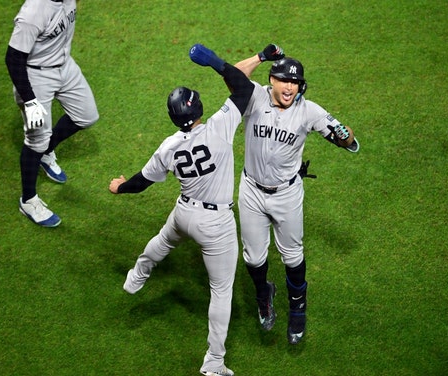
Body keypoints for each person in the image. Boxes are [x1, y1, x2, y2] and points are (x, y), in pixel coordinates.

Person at [109, 44, 259, 376]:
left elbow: (141, 181)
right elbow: (245, 89)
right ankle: (213, 362)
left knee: (163, 241)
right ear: (199, 107)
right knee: (221, 291)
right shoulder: (220, 126)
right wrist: (216, 63)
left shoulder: (168, 146)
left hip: (183, 213)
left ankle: (137, 275)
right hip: (215, 223)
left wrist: (119, 186)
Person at [230, 47, 360, 345]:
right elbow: (233, 74)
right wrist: (261, 57)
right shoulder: (255, 97)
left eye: (295, 82)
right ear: (271, 80)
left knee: (292, 257)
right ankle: (264, 294)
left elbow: (349, 141)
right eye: (284, 80)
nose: (290, 87)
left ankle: (298, 308)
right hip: (251, 190)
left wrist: (343, 132)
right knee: (253, 258)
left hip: (286, 194)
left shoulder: (309, 110)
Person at [5, 0, 99, 227]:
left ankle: (46, 153)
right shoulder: (34, 13)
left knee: (86, 116)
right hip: (36, 77)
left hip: (65, 66)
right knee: (35, 141)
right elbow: (13, 58)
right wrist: (31, 101)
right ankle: (28, 201)